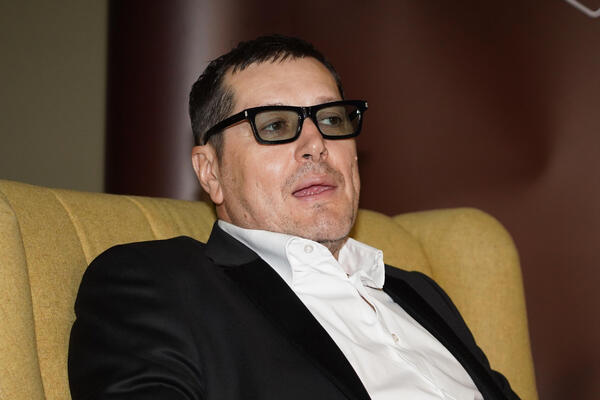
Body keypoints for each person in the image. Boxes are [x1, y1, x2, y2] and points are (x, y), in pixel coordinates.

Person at [68, 35, 519, 400]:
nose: (315, 144)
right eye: (275, 125)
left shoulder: (419, 292)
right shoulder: (157, 283)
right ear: (211, 172)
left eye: (332, 120)